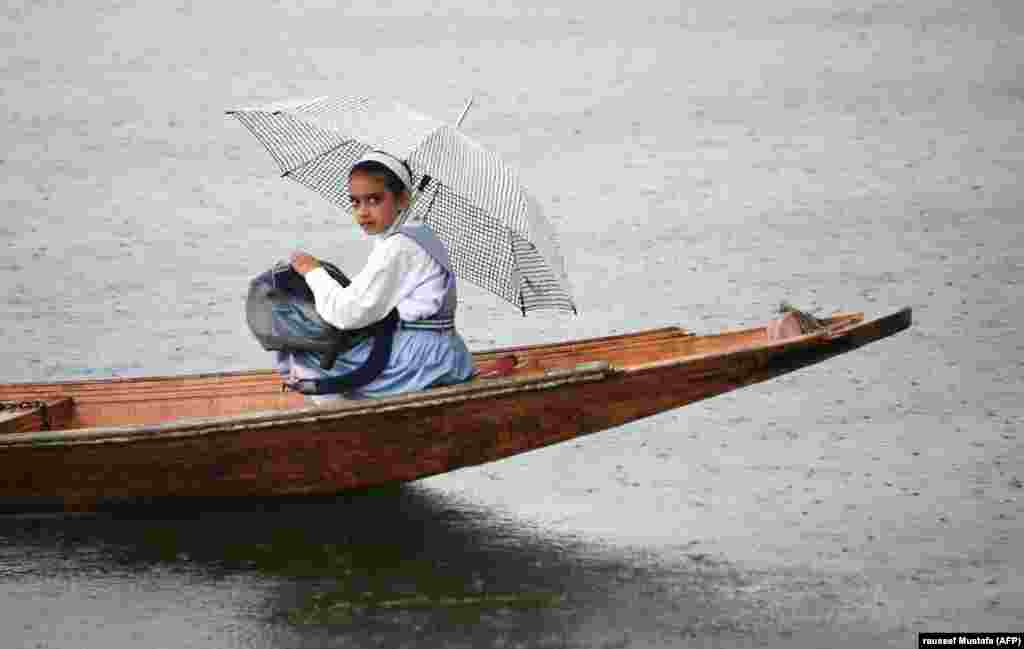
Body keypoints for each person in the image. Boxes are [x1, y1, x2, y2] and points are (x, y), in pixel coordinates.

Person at [277, 150, 475, 401]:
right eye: (355, 202)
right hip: (444, 350)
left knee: (306, 357)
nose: (363, 212)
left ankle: (337, 428)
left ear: (403, 199)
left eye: (374, 200)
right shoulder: (418, 233)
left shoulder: (399, 247)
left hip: (419, 358)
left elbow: (347, 313)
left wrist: (313, 271)